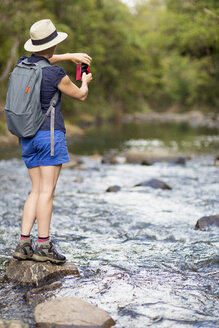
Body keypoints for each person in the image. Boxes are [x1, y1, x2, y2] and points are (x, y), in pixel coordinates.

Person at [12, 19, 92, 264]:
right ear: (53, 45)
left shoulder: (21, 65)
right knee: (47, 192)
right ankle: (44, 246)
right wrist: (85, 80)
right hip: (49, 136)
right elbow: (80, 95)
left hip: (26, 135)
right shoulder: (55, 73)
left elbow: (43, 60)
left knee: (35, 190)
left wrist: (68, 56)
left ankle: (24, 244)